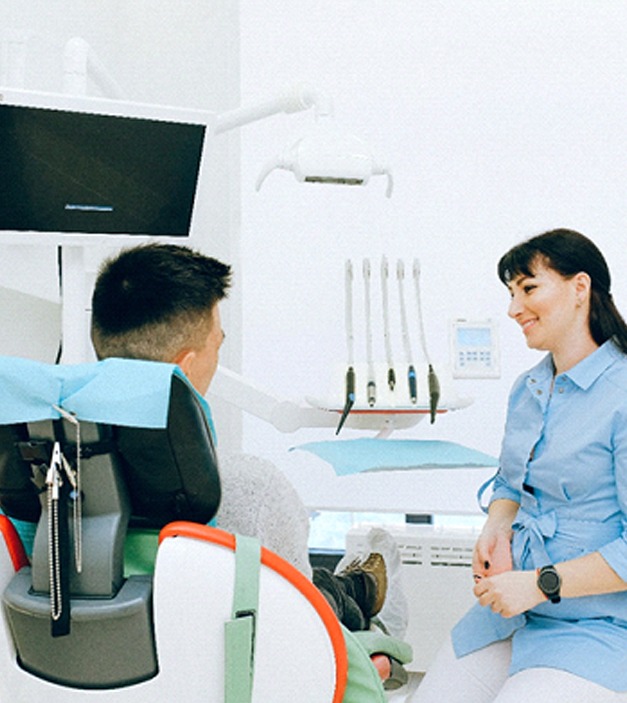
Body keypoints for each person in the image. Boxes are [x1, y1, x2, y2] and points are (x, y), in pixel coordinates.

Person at [90, 242, 402, 640]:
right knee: (324, 594)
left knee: (316, 582)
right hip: (231, 665)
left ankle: (353, 585)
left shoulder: (42, 471)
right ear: (185, 368)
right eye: (217, 344)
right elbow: (300, 625)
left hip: (92, 665)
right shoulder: (249, 486)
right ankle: (361, 590)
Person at [411, 229, 627, 703]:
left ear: (580, 288)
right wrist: (497, 526)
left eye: (528, 289)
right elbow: (512, 482)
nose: (513, 309)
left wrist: (539, 583)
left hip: (598, 627)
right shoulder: (529, 388)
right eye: (511, 294)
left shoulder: (622, 393)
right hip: (514, 611)